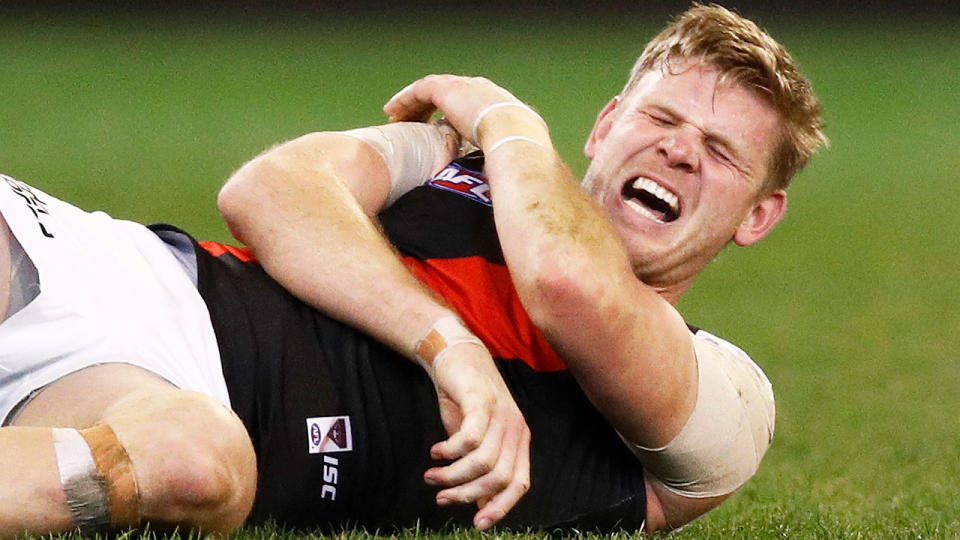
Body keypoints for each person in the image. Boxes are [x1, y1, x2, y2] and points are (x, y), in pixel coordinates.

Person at [0, 3, 826, 537]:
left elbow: (570, 284)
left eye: (720, 153)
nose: (680, 150)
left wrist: (511, 121)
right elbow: (267, 192)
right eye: (660, 118)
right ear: (607, 125)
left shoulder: (726, 396)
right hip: (128, 274)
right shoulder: (450, 158)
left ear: (758, 215)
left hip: (160, 405)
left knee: (193, 462)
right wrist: (447, 345)